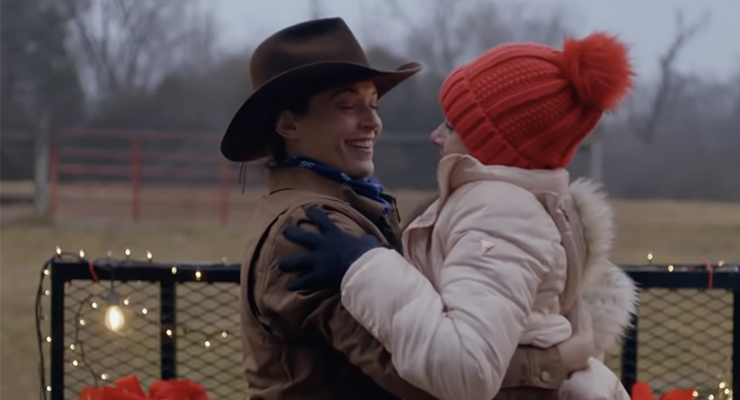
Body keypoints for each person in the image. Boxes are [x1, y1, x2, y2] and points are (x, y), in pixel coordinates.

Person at [223, 17, 593, 400]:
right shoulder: (313, 227)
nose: (372, 123)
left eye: (373, 104)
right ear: (288, 124)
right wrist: (563, 358)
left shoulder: (349, 207)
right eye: (348, 106)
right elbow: (416, 377)